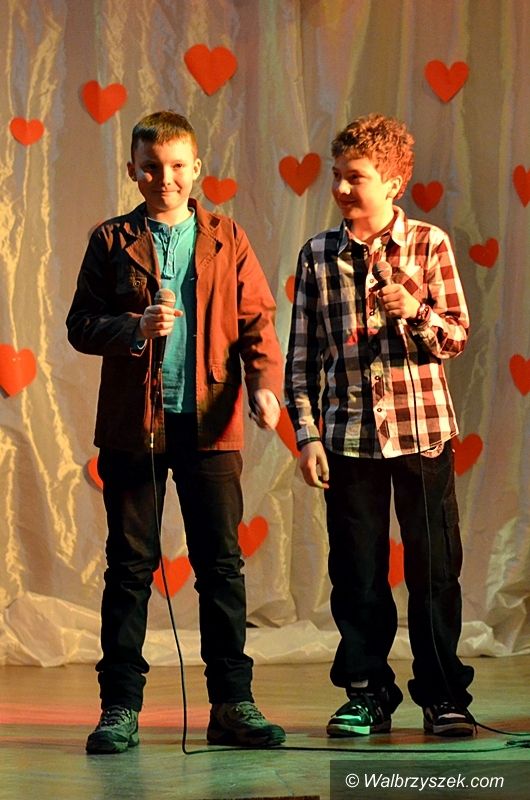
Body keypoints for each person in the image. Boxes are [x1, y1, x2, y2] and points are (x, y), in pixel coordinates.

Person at [67, 110, 286, 753]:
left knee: (221, 565)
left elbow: (257, 320)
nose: (165, 178)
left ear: (196, 169)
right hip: (134, 429)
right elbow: (81, 325)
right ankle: (119, 708)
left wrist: (264, 384)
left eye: (177, 166)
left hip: (210, 424)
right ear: (132, 171)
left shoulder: (227, 235)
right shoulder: (111, 239)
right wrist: (134, 328)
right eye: (151, 167)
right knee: (130, 567)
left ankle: (232, 704)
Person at [285, 113, 475, 738]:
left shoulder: (429, 244)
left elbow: (455, 339)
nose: (341, 188)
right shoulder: (317, 255)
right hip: (348, 439)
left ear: (393, 183)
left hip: (423, 434)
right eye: (337, 176)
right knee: (357, 573)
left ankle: (443, 695)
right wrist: (308, 436)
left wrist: (416, 310)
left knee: (434, 569)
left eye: (356, 178)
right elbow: (302, 359)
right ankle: (368, 692)